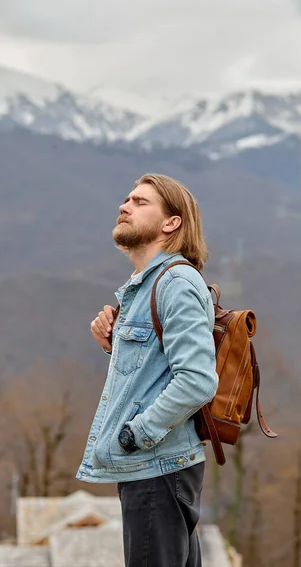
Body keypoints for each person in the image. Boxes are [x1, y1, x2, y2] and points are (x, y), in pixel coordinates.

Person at [76, 173, 218, 567]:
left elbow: (197, 380)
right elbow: (156, 369)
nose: (125, 206)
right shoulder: (146, 285)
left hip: (158, 467)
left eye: (140, 202)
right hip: (154, 468)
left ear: (171, 222)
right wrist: (114, 343)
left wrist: (136, 434)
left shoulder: (176, 283)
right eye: (126, 199)